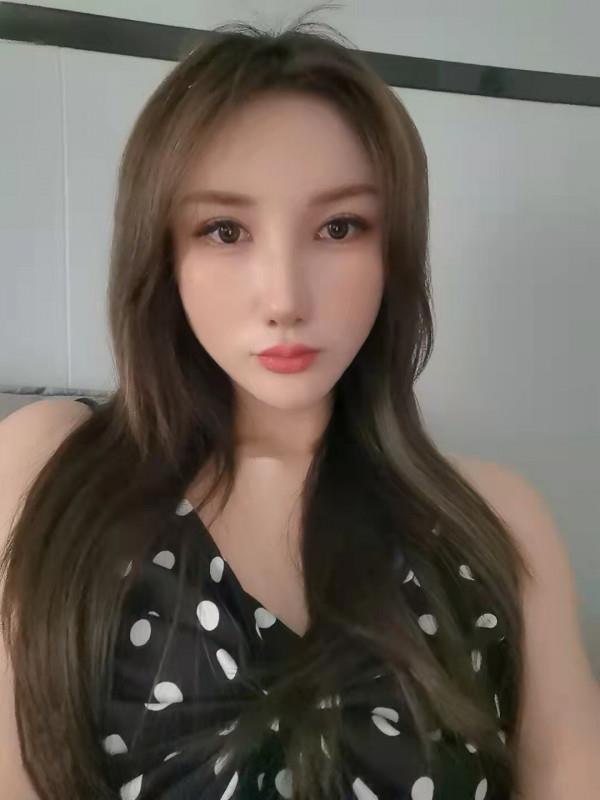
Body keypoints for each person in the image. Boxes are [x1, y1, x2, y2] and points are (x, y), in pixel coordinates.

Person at [1, 8, 599, 800]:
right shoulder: (48, 465)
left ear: (395, 252)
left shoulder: (497, 521)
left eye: (339, 227)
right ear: (162, 254)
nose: (284, 297)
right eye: (224, 231)